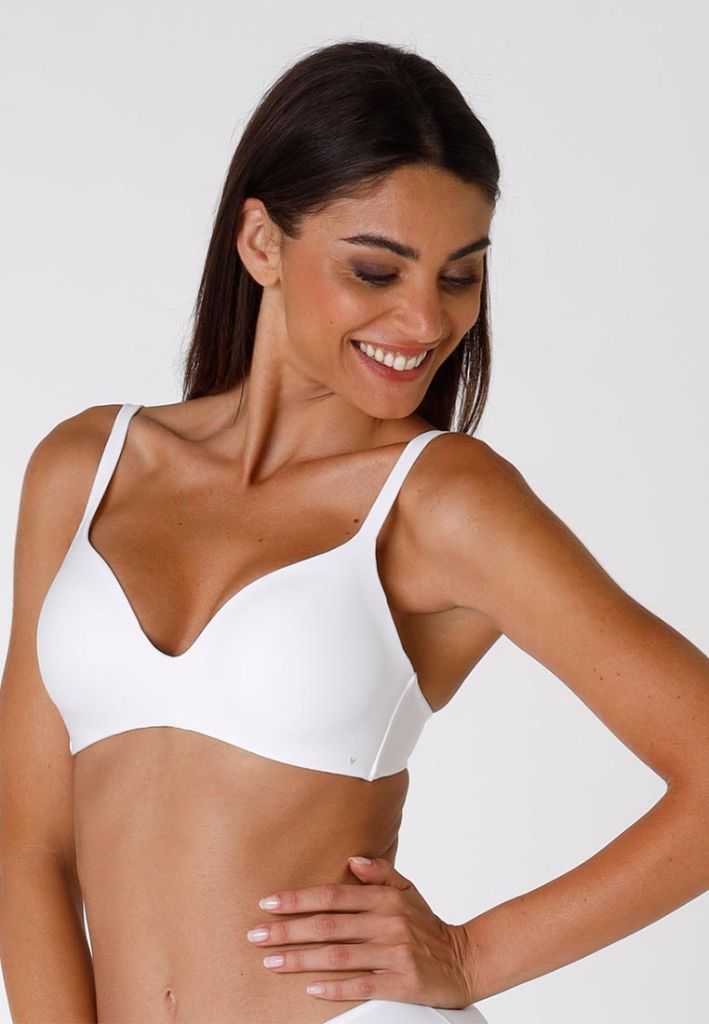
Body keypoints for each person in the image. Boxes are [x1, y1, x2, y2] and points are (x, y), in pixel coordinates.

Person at [1, 39, 708, 1024]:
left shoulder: (443, 500)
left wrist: (471, 954)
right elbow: (28, 843)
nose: (424, 322)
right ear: (261, 244)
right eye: (376, 270)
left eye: (459, 277)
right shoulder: (85, 468)